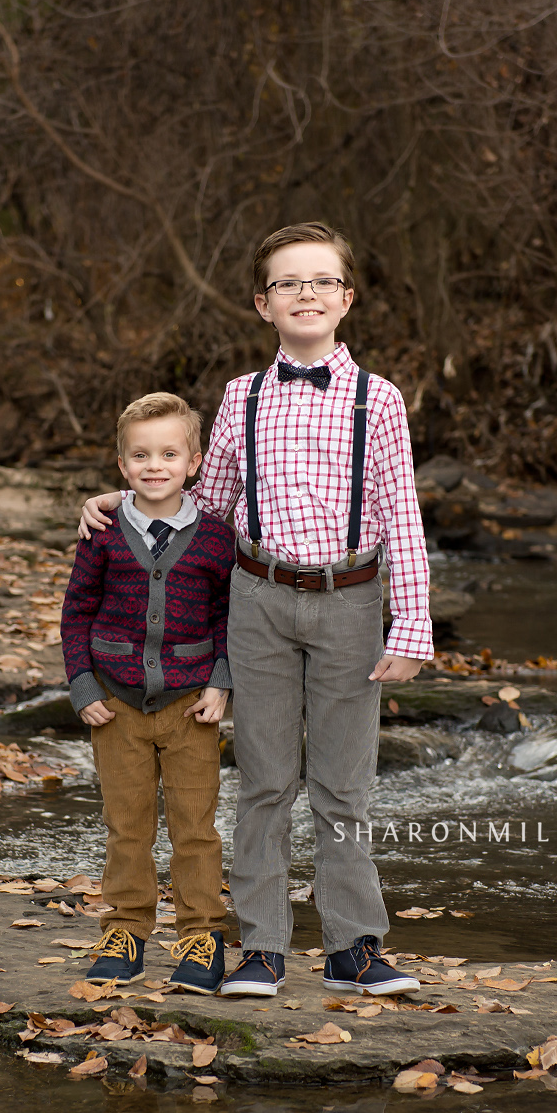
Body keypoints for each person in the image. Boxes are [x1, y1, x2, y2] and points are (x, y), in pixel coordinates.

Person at [79, 222, 429, 997]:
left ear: (347, 298)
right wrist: (131, 500)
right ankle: (262, 947)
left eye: (320, 282)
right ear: (262, 304)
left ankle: (354, 947)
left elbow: (401, 511)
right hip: (259, 601)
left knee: (344, 784)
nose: (305, 294)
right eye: (287, 284)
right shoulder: (243, 397)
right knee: (266, 779)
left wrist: (410, 624)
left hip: (349, 600)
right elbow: (208, 501)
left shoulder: (381, 399)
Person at [61, 392, 237, 994]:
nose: (154, 465)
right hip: (116, 708)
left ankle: (200, 937)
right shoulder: (103, 534)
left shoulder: (216, 537)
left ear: (194, 463)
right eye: (141, 455)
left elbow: (225, 619)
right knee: (127, 824)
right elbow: (76, 612)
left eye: (169, 453)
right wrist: (83, 684)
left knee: (195, 827)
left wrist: (219, 683)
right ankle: (126, 931)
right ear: (121, 464)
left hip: (192, 707)